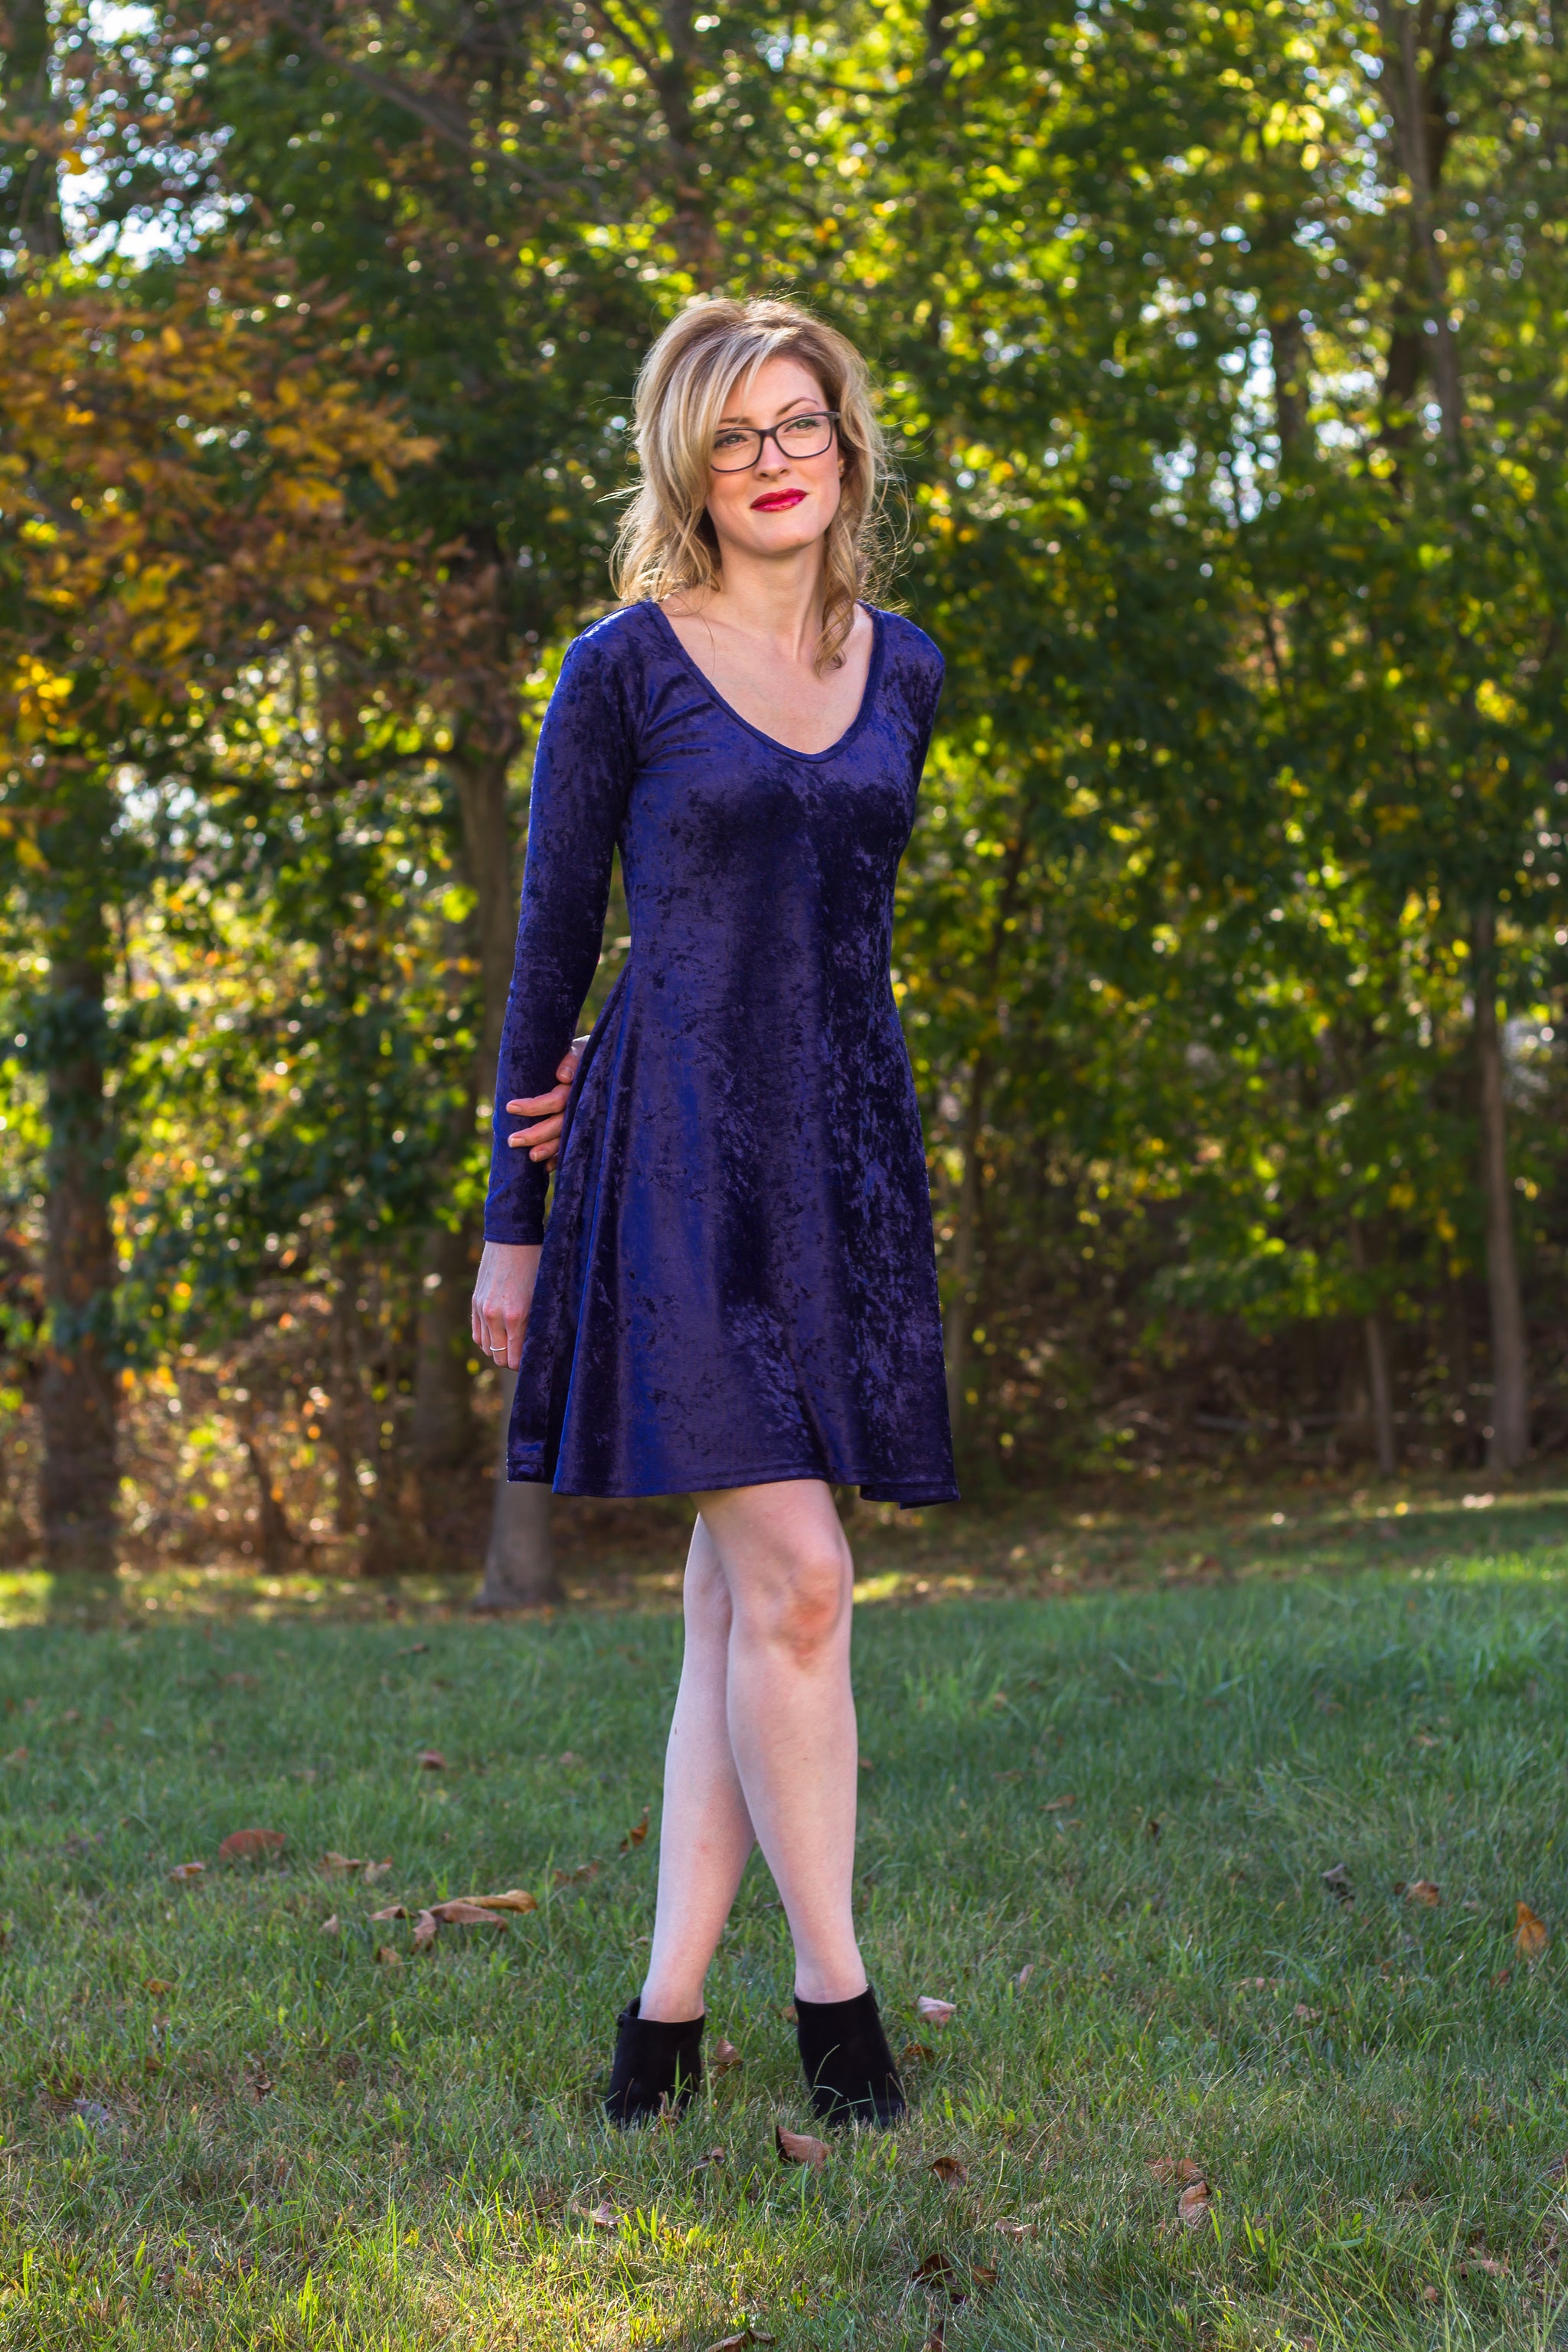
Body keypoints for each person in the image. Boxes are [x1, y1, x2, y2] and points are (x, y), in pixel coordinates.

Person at [471, 296, 956, 2129]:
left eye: (799, 423)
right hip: (667, 1160)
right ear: (687, 462)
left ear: (846, 443)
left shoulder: (904, 669)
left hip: (837, 1161)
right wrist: (512, 1225)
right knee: (804, 1581)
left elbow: (837, 927)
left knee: (737, 1609)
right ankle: (838, 2006)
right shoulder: (620, 668)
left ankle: (660, 2024)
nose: (772, 459)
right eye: (734, 433)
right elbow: (548, 953)